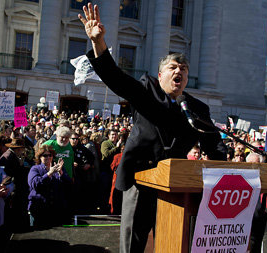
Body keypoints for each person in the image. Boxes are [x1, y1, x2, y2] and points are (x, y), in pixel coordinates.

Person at [78, 4, 227, 252]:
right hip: (140, 180)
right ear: (160, 75)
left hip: (177, 187)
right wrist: (98, 42)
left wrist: (225, 175)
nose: (179, 71)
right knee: (133, 245)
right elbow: (116, 78)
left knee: (172, 244)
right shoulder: (147, 91)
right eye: (173, 67)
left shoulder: (197, 109)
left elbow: (215, 145)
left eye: (184, 69)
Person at [27, 145, 72, 229]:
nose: (48, 157)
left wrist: (61, 173)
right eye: (45, 155)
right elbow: (35, 184)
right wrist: (49, 174)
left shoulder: (58, 168)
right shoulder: (35, 169)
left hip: (55, 209)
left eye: (50, 155)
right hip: (39, 209)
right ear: (40, 157)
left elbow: (68, 185)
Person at [0, 138, 30, 232]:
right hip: (12, 187)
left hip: (16, 186)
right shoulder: (8, 157)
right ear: (18, 149)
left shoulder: (13, 155)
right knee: (16, 209)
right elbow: (7, 174)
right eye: (22, 149)